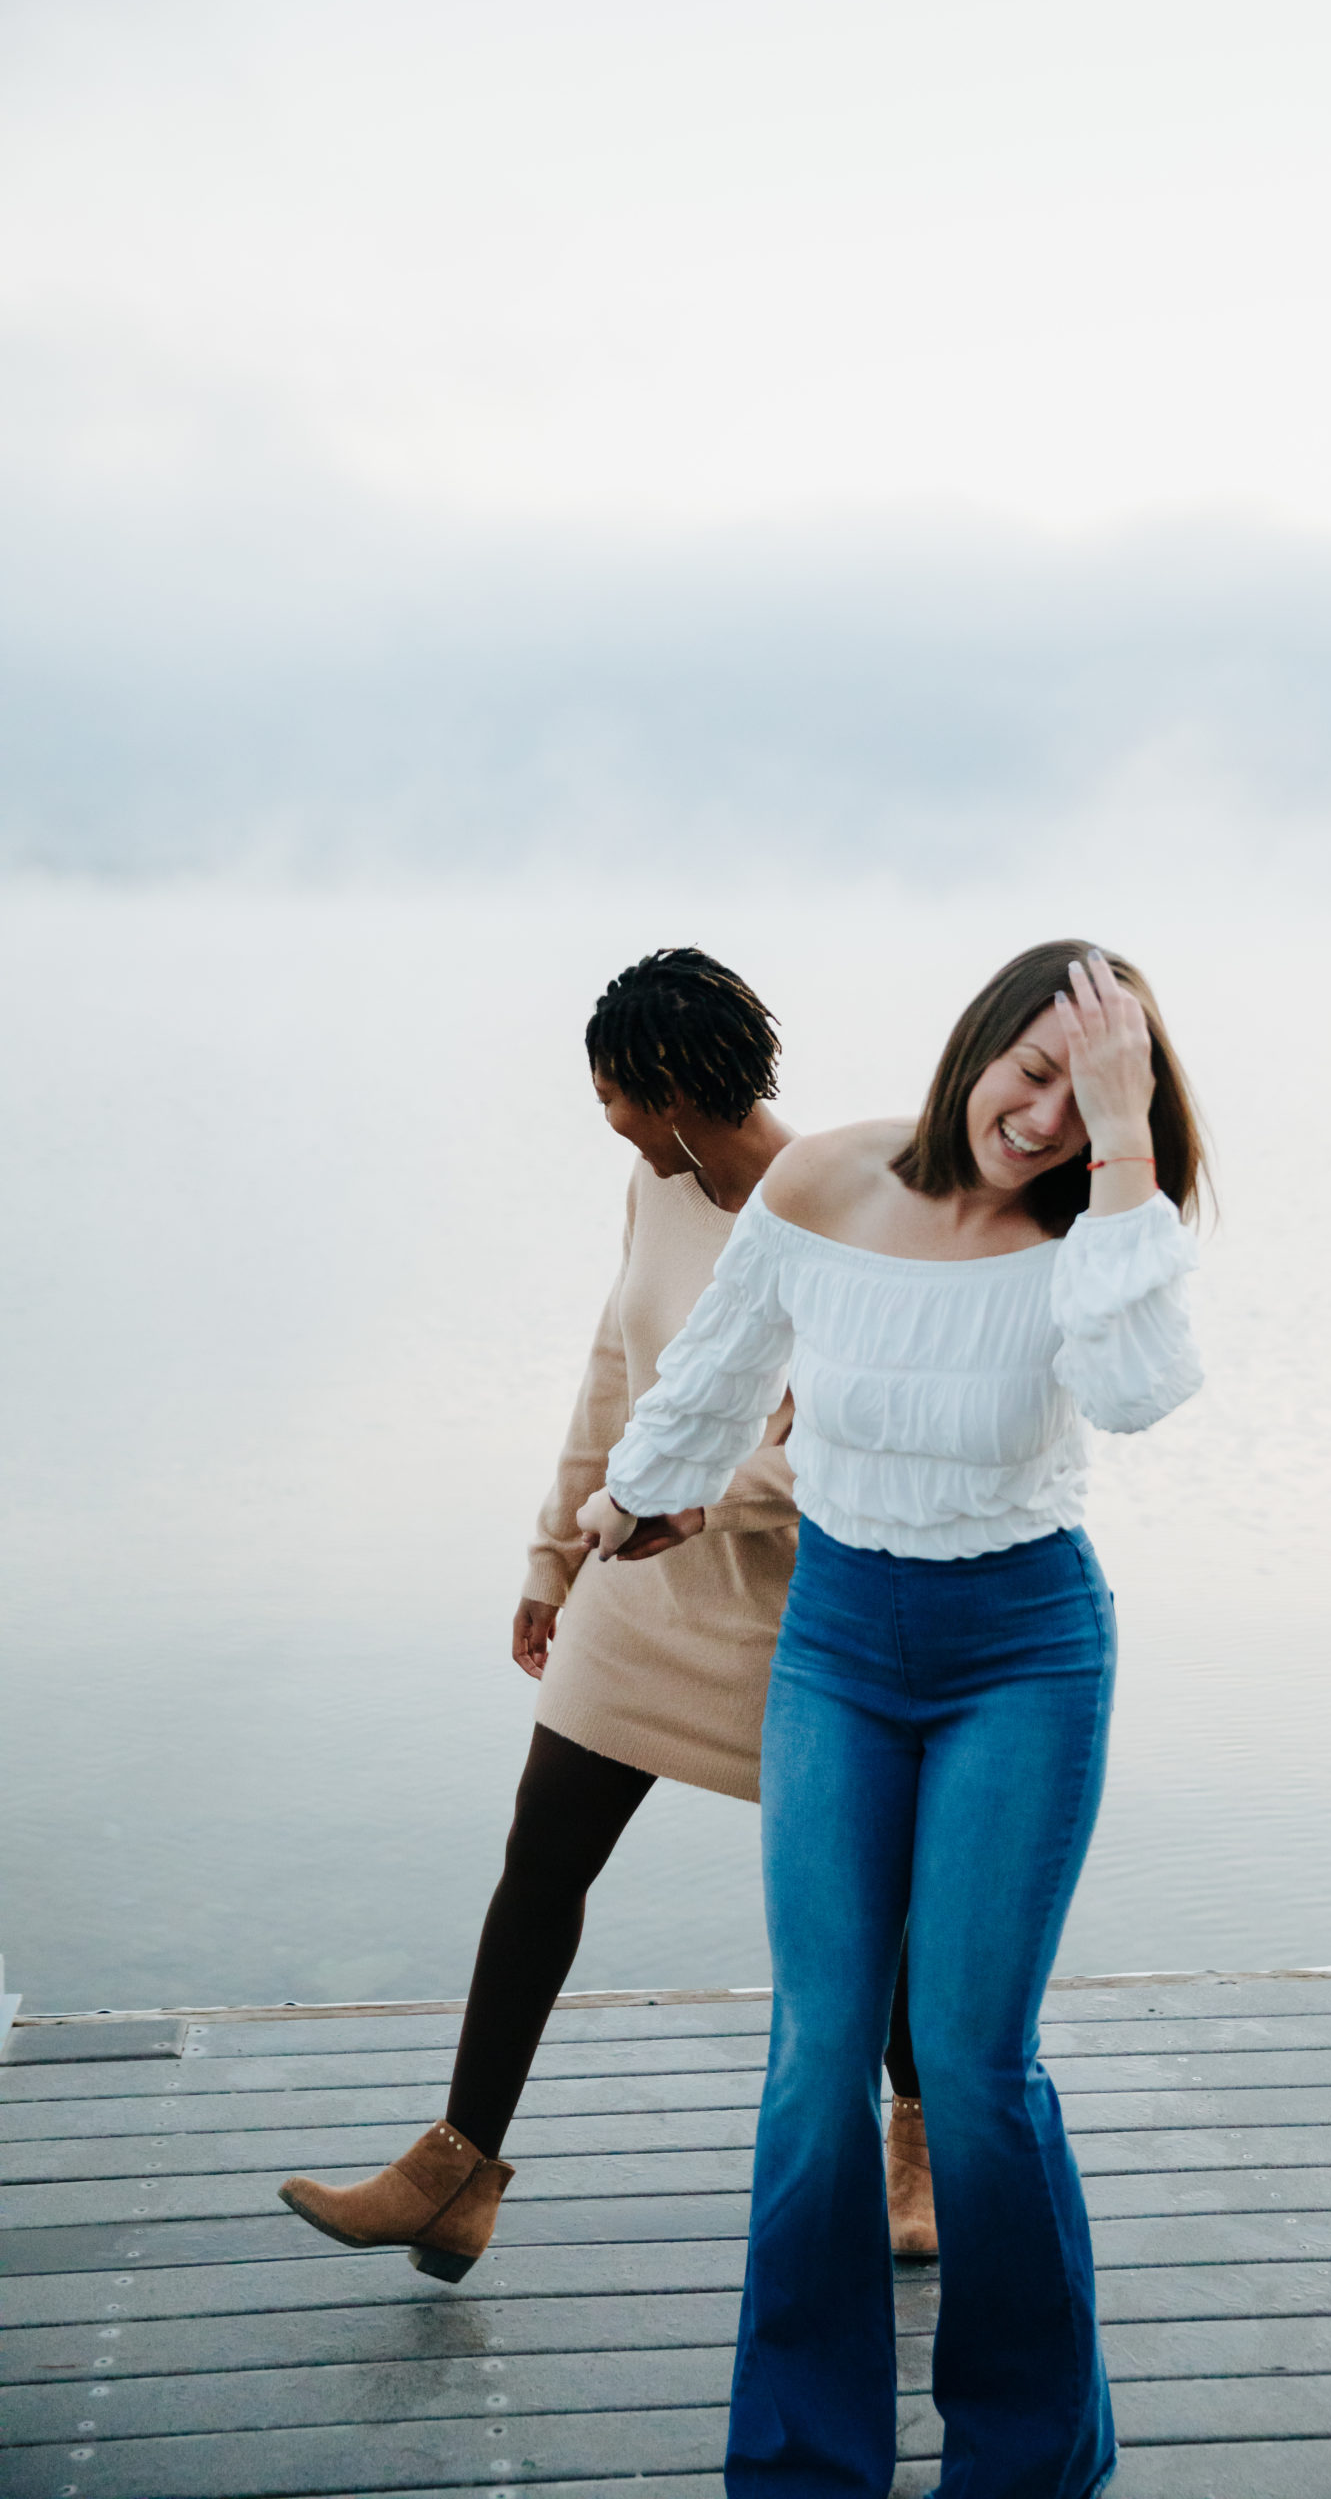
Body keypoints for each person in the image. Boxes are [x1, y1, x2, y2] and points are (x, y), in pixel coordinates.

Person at [578, 940, 1207, 2499]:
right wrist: (637, 1499)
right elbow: (719, 1369)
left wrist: (1128, 1146)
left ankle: (1026, 2458)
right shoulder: (829, 1184)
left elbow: (1134, 1394)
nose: (1049, 1116)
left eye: (1094, 1093)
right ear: (977, 1044)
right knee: (817, 2058)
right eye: (1036, 1071)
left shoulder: (1102, 1229)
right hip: (843, 1645)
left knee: (979, 2069)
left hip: (1023, 1651)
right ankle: (803, 2462)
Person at [279, 947, 930, 2283]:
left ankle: (919, 2148)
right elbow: (612, 1372)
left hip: (791, 1616)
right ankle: (454, 2174)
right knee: (540, 1863)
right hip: (634, 1594)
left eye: (621, 1099)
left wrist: (685, 1496)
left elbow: (844, 1443)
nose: (614, 1124)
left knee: (877, 1894)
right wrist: (548, 1556)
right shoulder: (657, 1190)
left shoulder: (854, 1213)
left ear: (681, 1085)